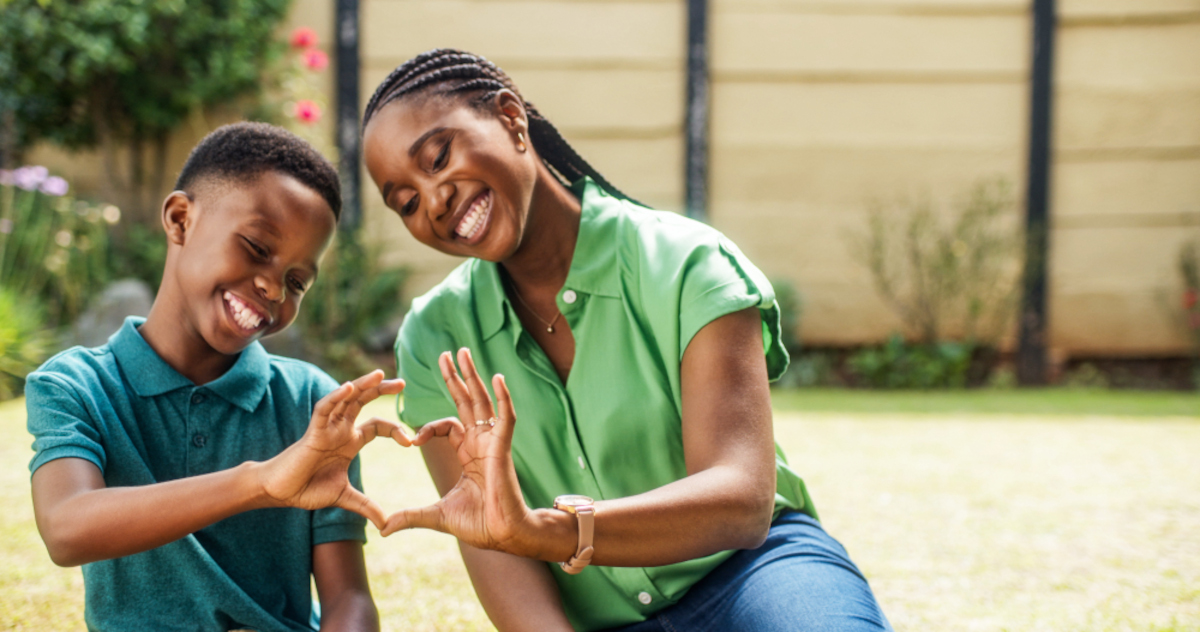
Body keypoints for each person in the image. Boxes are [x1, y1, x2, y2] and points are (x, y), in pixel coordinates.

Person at [360, 50, 893, 632]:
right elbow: (490, 539)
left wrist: (558, 531)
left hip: (751, 577)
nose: (434, 201)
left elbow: (740, 500)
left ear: (512, 120)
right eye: (406, 201)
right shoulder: (435, 335)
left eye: (438, 158)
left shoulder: (684, 263)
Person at [25, 122, 424, 632]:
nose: (274, 289)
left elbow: (349, 598)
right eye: (258, 248)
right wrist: (260, 482)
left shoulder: (310, 402)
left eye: (297, 281)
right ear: (180, 220)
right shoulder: (75, 386)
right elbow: (67, 527)